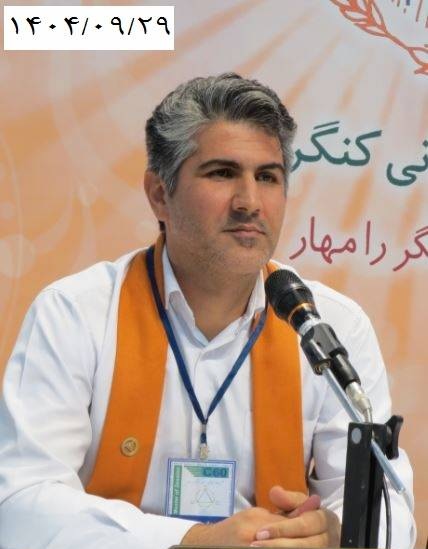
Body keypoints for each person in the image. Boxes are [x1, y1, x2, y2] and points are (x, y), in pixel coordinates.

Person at [0, 73, 415, 549]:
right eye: (222, 173)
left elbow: (392, 511)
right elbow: (19, 506)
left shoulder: (328, 326)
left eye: (267, 177)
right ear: (160, 194)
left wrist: (334, 535)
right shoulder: (75, 314)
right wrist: (190, 541)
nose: (249, 202)